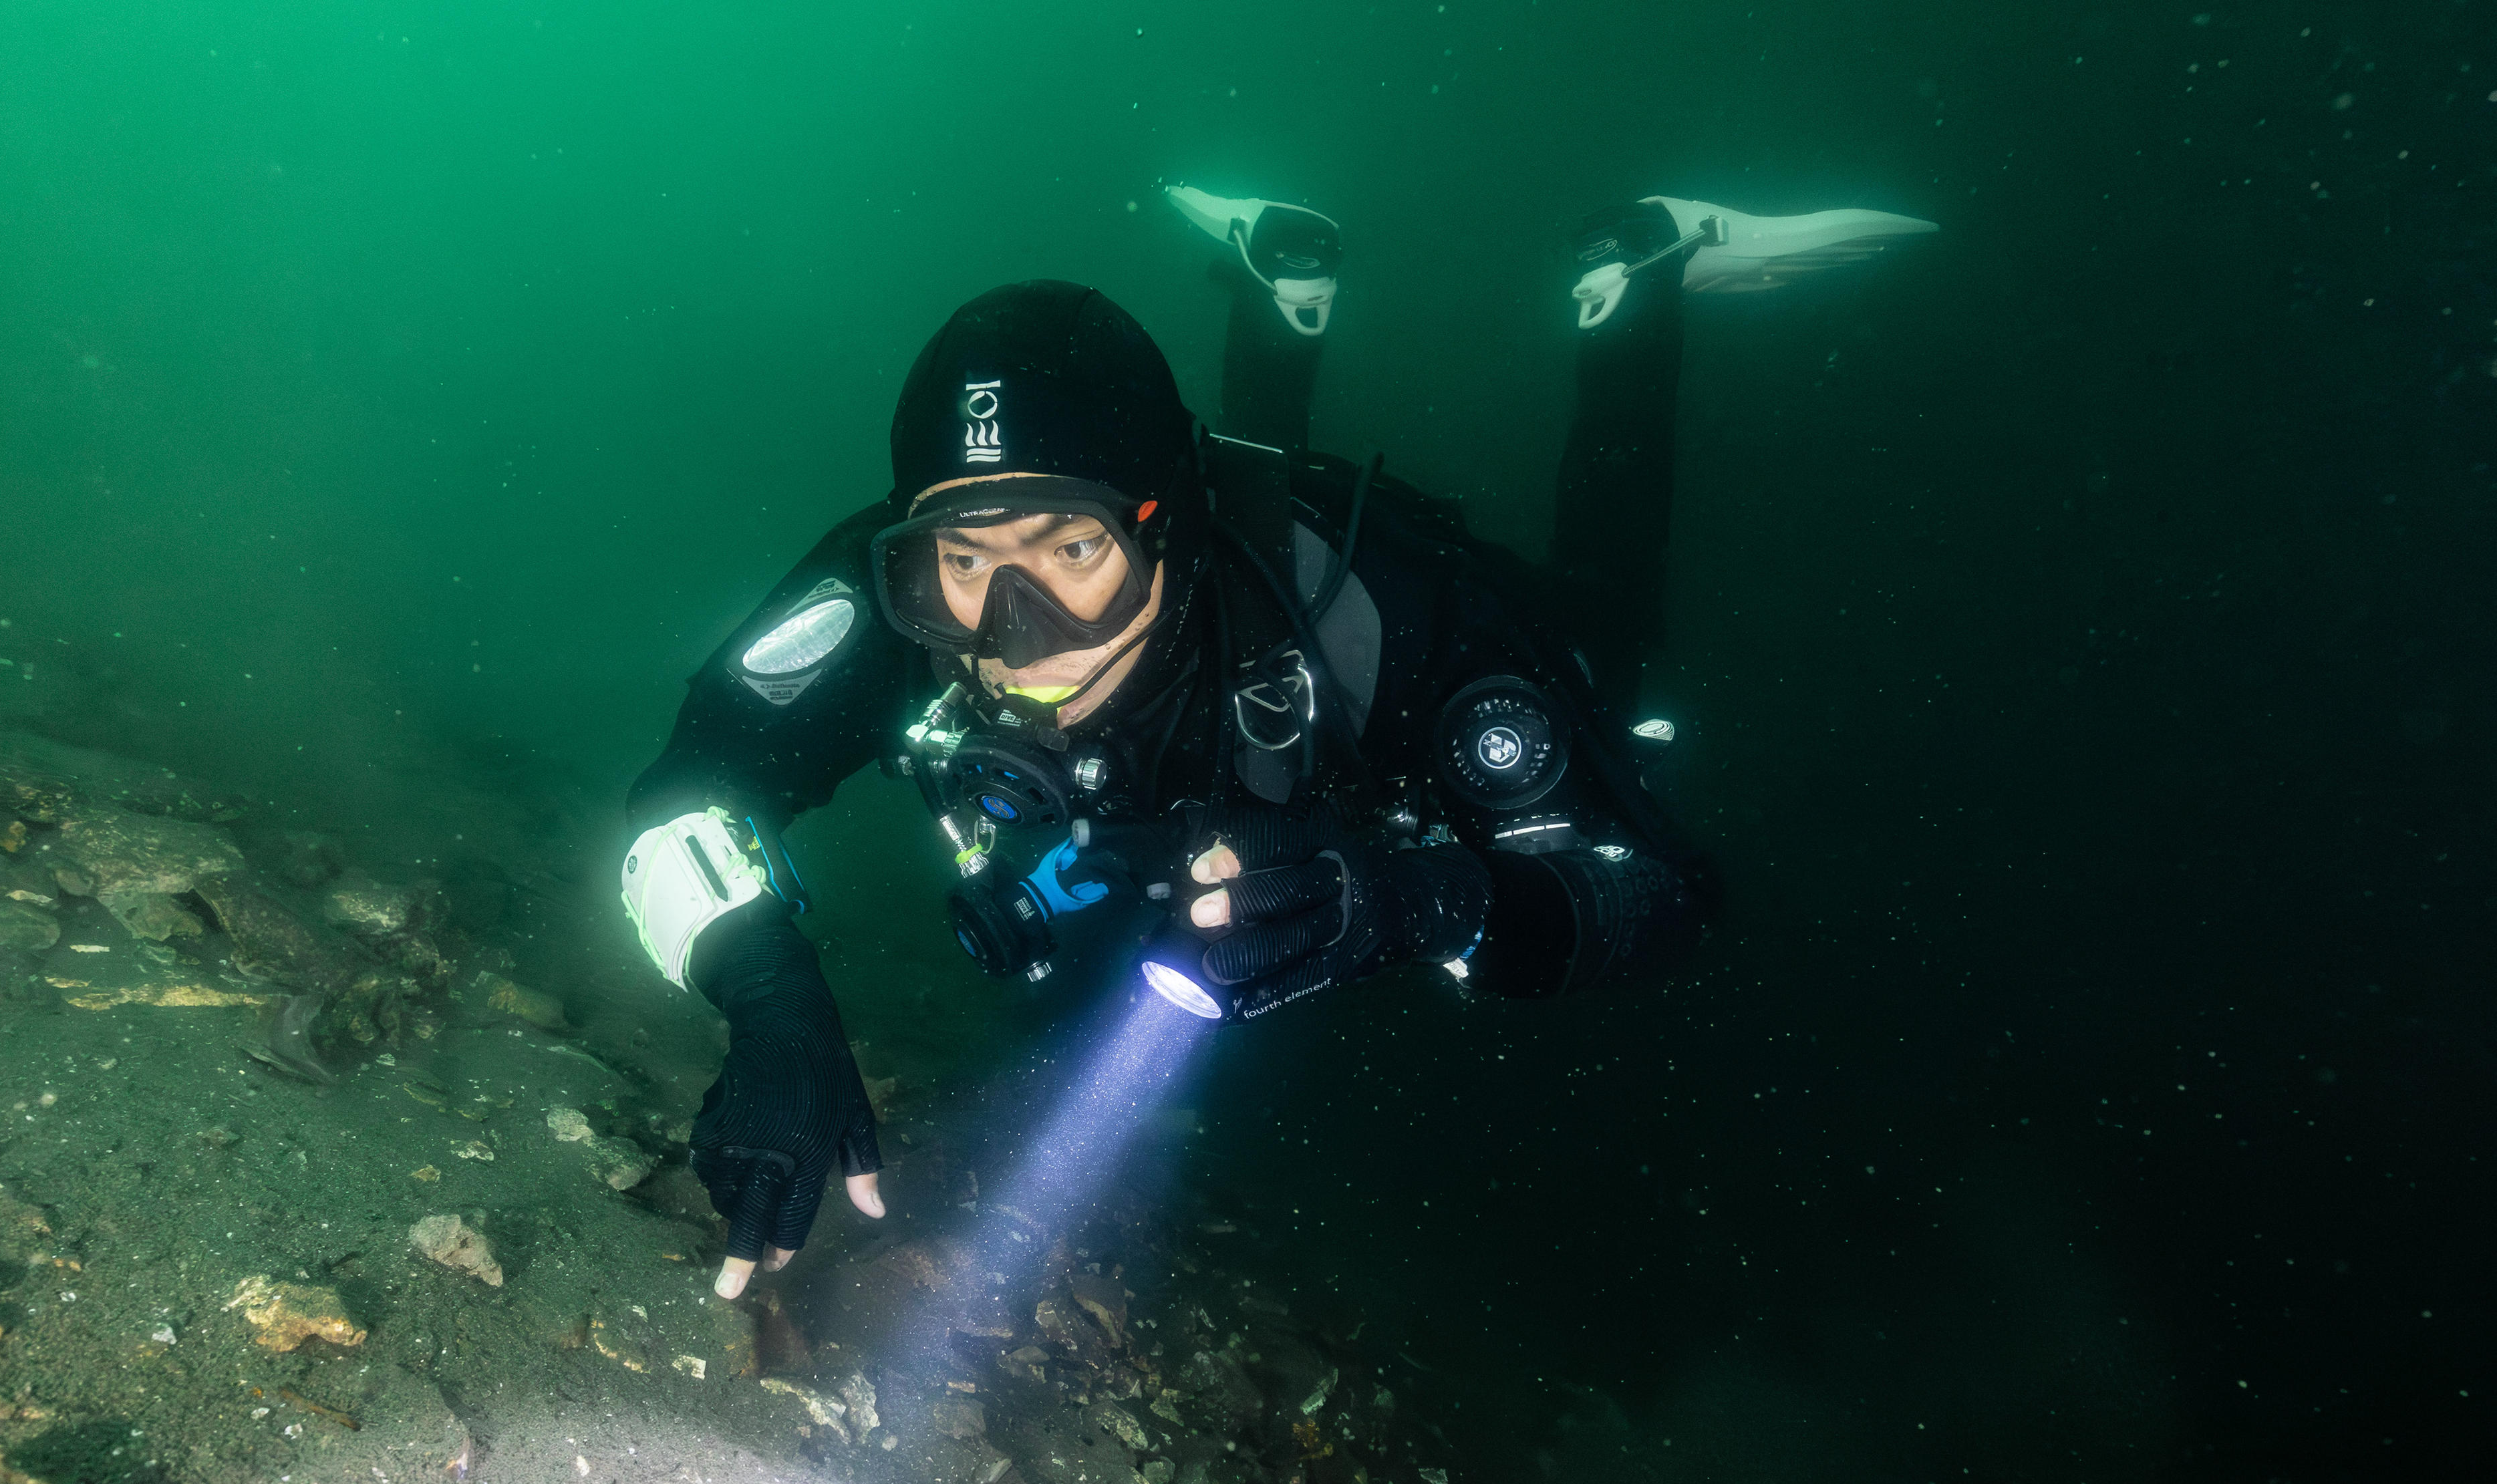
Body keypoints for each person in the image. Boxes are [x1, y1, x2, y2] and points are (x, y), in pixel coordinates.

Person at [620, 188, 1936, 1298]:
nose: (1014, 632)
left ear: (1164, 526)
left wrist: (1427, 899)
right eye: (962, 560)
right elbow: (691, 780)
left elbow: (1658, 889)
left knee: (1612, 636)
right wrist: (768, 998)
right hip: (1182, 771)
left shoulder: (1390, 615)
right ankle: (1284, 283)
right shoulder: (884, 591)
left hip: (1325, 661)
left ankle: (1636, 284)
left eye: (1073, 550)